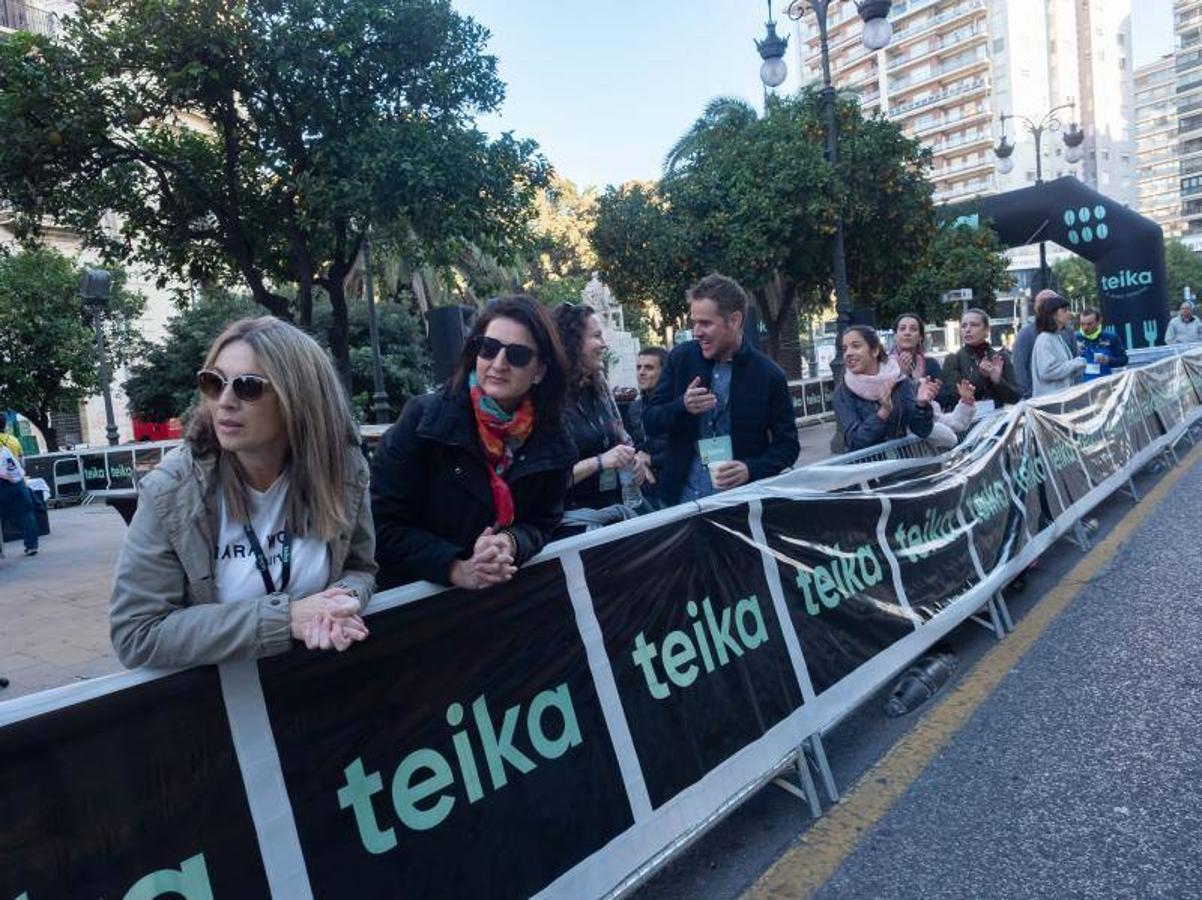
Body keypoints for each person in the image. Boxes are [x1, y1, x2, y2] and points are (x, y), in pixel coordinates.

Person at [109, 317, 376, 669]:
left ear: (298, 397)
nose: (225, 400)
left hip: (316, 691)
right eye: (213, 382)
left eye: (248, 386)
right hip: (220, 706)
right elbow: (136, 634)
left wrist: (343, 601)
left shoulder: (342, 470)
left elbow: (360, 568)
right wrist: (286, 619)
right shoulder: (171, 489)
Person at [372, 295, 574, 590]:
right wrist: (455, 567)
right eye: (488, 348)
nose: (498, 364)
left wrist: (510, 543)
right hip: (419, 610)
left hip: (504, 605)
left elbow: (544, 522)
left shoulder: (553, 437)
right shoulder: (422, 421)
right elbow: (381, 526)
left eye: (517, 355)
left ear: (540, 370)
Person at [643, 273, 799, 504]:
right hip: (679, 503)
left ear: (734, 321)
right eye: (694, 322)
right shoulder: (680, 359)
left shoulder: (768, 375)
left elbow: (787, 446)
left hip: (740, 506)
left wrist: (750, 469)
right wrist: (682, 406)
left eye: (705, 323)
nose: (697, 332)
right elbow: (650, 421)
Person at [553, 303, 651, 521]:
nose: (604, 344)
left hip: (618, 510)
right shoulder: (549, 398)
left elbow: (622, 438)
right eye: (597, 336)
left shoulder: (598, 385)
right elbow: (546, 481)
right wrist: (599, 462)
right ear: (573, 343)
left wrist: (635, 462)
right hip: (578, 524)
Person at [834, 326, 937, 450]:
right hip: (866, 467)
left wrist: (921, 406)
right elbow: (855, 441)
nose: (848, 353)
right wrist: (883, 412)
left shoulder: (899, 380)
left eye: (856, 346)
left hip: (901, 464)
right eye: (844, 349)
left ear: (874, 351)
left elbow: (922, 431)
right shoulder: (844, 391)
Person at [938, 308, 1021, 409]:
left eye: (974, 325)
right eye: (964, 326)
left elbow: (1015, 397)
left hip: (996, 420)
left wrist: (997, 381)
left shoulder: (1000, 358)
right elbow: (951, 397)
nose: (968, 330)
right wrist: (981, 376)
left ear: (986, 330)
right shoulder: (953, 360)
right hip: (967, 421)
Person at [624, 346, 669, 507]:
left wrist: (652, 460)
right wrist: (639, 460)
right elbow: (631, 445)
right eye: (638, 367)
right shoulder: (634, 408)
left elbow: (689, 449)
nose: (641, 372)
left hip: (676, 487)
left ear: (664, 372)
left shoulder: (676, 405)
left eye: (648, 368)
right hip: (645, 489)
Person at [1031, 294, 1087, 397]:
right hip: (1050, 402)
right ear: (1054, 314)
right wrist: (1076, 363)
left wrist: (1077, 368)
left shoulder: (1057, 337)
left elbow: (1062, 370)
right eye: (1065, 310)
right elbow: (1047, 371)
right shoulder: (1045, 339)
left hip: (1060, 399)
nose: (1069, 313)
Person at [0, 440, 39, 556]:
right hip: (17, 480)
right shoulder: (10, 442)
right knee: (26, 513)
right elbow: (20, 460)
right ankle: (32, 545)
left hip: (2, 482)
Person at [1075, 307, 1128, 380]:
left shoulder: (1110, 337)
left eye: (1089, 324)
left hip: (1105, 383)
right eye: (1082, 324)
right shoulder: (1075, 337)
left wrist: (1109, 360)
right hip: (1081, 385)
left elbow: (1124, 360)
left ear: (1099, 321)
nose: (1085, 327)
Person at [889, 313, 942, 382]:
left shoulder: (931, 364)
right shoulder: (885, 365)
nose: (907, 333)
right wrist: (902, 374)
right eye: (902, 329)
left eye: (913, 329)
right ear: (895, 336)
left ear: (920, 337)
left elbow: (941, 391)